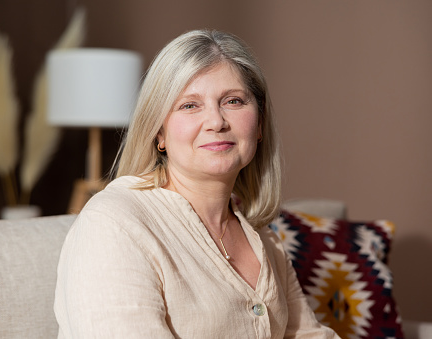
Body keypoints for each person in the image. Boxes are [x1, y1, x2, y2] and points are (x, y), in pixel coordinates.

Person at [54, 29, 339, 338]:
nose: (216, 121)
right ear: (159, 132)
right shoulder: (114, 223)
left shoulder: (263, 239)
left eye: (233, 101)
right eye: (190, 105)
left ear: (259, 124)